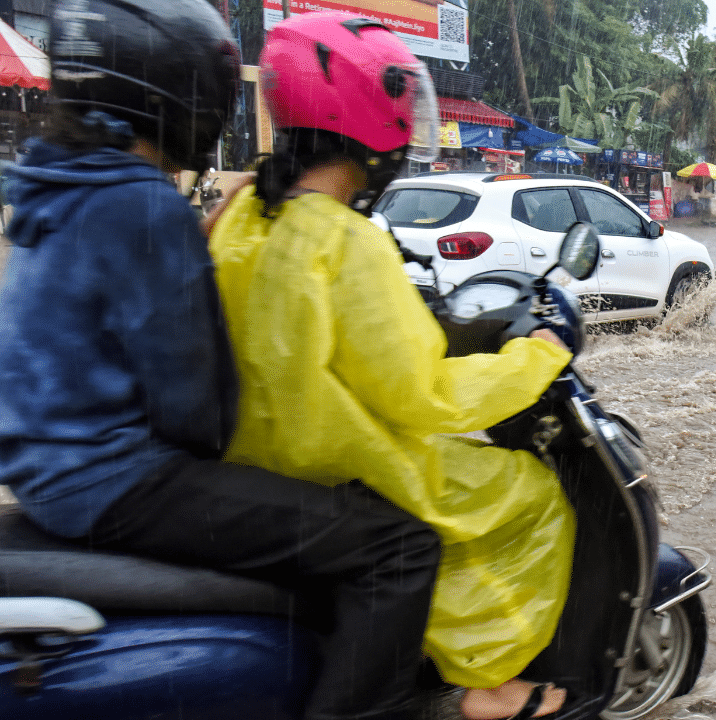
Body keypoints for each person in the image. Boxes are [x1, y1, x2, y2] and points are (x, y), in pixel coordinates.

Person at [0, 2, 440, 720]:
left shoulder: (53, 183)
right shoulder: (145, 208)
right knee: (397, 546)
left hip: (45, 471)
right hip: (118, 482)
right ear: (171, 95)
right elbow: (200, 416)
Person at [206, 12, 575, 720]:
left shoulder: (245, 214)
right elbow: (426, 395)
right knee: (526, 493)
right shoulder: (349, 243)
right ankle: (489, 681)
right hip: (340, 463)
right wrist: (533, 360)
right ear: (382, 117)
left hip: (252, 461)